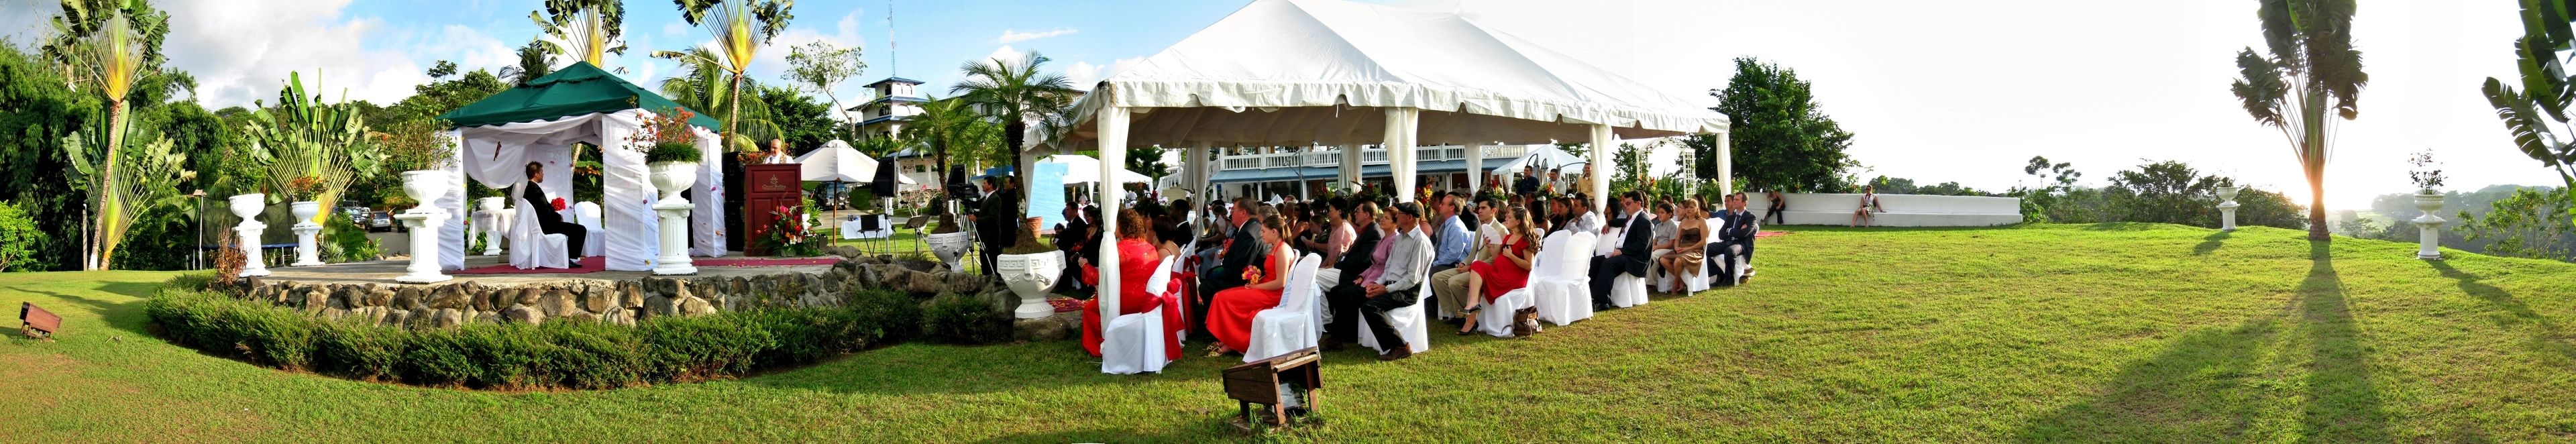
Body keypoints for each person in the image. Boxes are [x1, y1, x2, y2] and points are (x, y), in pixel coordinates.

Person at [1081, 210, 1179, 358]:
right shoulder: (1149, 248)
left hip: (1125, 303)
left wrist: (1084, 266)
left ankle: (1100, 346)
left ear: (1122, 226)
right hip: (1149, 301)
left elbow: (1099, 279)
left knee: (1090, 309)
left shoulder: (1117, 250)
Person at [1203, 213, 1295, 357]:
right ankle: (1228, 339)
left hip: (1273, 295)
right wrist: (1256, 280)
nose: (1261, 234)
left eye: (1264, 231)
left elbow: (1280, 282)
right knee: (1221, 296)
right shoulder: (1276, 247)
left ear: (1274, 232)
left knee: (1223, 298)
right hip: (1266, 288)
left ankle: (1233, 342)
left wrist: (1256, 286)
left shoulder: (1282, 250)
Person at [1349, 202, 1431, 361]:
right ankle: (1352, 338)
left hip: (1408, 291)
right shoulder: (1400, 238)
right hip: (1394, 285)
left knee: (1370, 307)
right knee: (1360, 296)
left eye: (1400, 214)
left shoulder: (1420, 241)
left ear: (1409, 218)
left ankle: (1401, 346)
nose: (1397, 216)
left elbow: (1412, 279)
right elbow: (1388, 268)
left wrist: (1386, 289)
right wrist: (1378, 284)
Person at [1455, 206, 1536, 335]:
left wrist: (1511, 256)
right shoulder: (1508, 238)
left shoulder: (1525, 240)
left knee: (1477, 273)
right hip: (1499, 273)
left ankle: (1471, 317)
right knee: (1477, 265)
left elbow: (1529, 265)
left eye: (1510, 217)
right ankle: (1473, 304)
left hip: (1512, 279)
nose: (1506, 218)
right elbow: (1498, 259)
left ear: (1518, 222)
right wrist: (1491, 248)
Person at [1195, 198, 1269, 337]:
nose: (1231, 213)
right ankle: (1211, 320)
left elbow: (1240, 265)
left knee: (1206, 287)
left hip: (1247, 279)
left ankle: (1214, 328)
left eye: (1233, 210)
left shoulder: (1249, 232)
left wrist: (1226, 260)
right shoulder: (1251, 226)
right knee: (1211, 273)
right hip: (1244, 272)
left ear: (1243, 212)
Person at [1590, 192, 1653, 310]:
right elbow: (1621, 222)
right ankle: (1592, 297)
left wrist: (1622, 251)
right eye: (1624, 203)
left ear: (1638, 203)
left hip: (1636, 259)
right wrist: (1609, 223)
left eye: (1628, 203)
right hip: (1625, 255)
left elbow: (1642, 245)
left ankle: (1602, 301)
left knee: (1609, 263)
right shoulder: (1631, 218)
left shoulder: (1645, 221)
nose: (1625, 206)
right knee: (1594, 262)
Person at [518, 162, 585, 268]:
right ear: (536, 174)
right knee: (580, 230)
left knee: (577, 229)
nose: (543, 174)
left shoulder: (531, 188)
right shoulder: (534, 190)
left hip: (544, 223)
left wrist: (556, 214)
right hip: (546, 226)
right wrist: (558, 218)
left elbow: (546, 207)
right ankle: (569, 259)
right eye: (542, 172)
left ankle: (568, 258)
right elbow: (544, 211)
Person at [1424, 194, 1475, 320]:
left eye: (1443, 203)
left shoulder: (1456, 227)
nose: (1440, 206)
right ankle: (1444, 310)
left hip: (1456, 264)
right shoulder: (1447, 224)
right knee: (1425, 269)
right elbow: (1438, 248)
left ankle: (1437, 310)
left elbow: (1453, 254)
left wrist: (1435, 264)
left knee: (1430, 272)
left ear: (1452, 208)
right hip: (1445, 262)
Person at [1658, 199, 1709, 293]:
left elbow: (1703, 241)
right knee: (1662, 260)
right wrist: (1676, 247)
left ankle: (1675, 284)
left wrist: (1688, 248)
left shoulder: (1702, 221)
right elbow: (1677, 239)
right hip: (1682, 249)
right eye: (1687, 208)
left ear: (1697, 209)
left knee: (1678, 260)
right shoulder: (1683, 222)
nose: (1688, 210)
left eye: (1692, 207)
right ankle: (1681, 281)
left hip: (1695, 250)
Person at [1717, 192, 1760, 285]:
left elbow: (1744, 234)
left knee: (1730, 251)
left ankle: (1729, 280)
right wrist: (1736, 232)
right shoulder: (1731, 217)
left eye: (1737, 200)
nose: (1734, 201)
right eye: (1734, 199)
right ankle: (1720, 275)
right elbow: (1721, 235)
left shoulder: (1751, 217)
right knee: (1708, 249)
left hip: (1742, 244)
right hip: (1729, 241)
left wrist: (1729, 230)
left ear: (1745, 203)